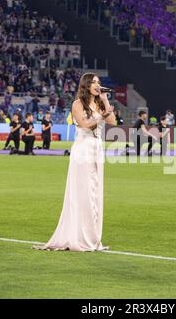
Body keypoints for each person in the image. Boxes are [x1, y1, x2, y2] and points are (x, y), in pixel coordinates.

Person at [33, 73, 116, 251]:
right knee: (83, 193)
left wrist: (105, 100)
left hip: (97, 149)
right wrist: (101, 116)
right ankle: (79, 237)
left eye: (99, 82)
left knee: (95, 193)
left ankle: (93, 238)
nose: (97, 85)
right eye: (94, 82)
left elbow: (112, 121)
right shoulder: (77, 104)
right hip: (83, 149)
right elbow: (85, 124)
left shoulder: (101, 102)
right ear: (86, 85)